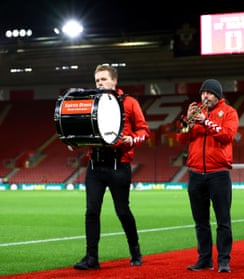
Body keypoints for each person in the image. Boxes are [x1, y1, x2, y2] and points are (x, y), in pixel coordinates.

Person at [72, 64, 151, 270]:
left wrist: (131, 140)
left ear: (115, 81)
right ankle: (92, 258)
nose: (100, 83)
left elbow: (144, 131)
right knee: (91, 212)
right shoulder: (90, 103)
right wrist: (75, 140)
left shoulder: (130, 102)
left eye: (104, 79)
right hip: (95, 165)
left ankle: (135, 250)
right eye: (97, 80)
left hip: (119, 165)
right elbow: (83, 127)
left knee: (123, 211)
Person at [176, 79, 239, 273]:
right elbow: (181, 138)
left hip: (218, 174)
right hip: (195, 174)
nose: (205, 96)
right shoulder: (196, 113)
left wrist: (206, 121)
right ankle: (204, 259)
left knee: (223, 220)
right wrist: (187, 121)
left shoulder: (229, 112)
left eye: (209, 93)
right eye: (203, 93)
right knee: (201, 221)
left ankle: (223, 261)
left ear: (218, 95)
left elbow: (227, 136)